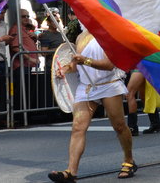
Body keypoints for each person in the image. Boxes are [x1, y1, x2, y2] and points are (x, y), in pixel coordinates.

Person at [49, 31, 136, 182]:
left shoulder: (111, 34)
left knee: (119, 126)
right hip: (87, 86)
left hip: (109, 85)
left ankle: (129, 160)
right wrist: (65, 68)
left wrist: (85, 61)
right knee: (78, 127)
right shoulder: (81, 36)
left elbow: (109, 65)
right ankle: (71, 171)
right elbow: (76, 64)